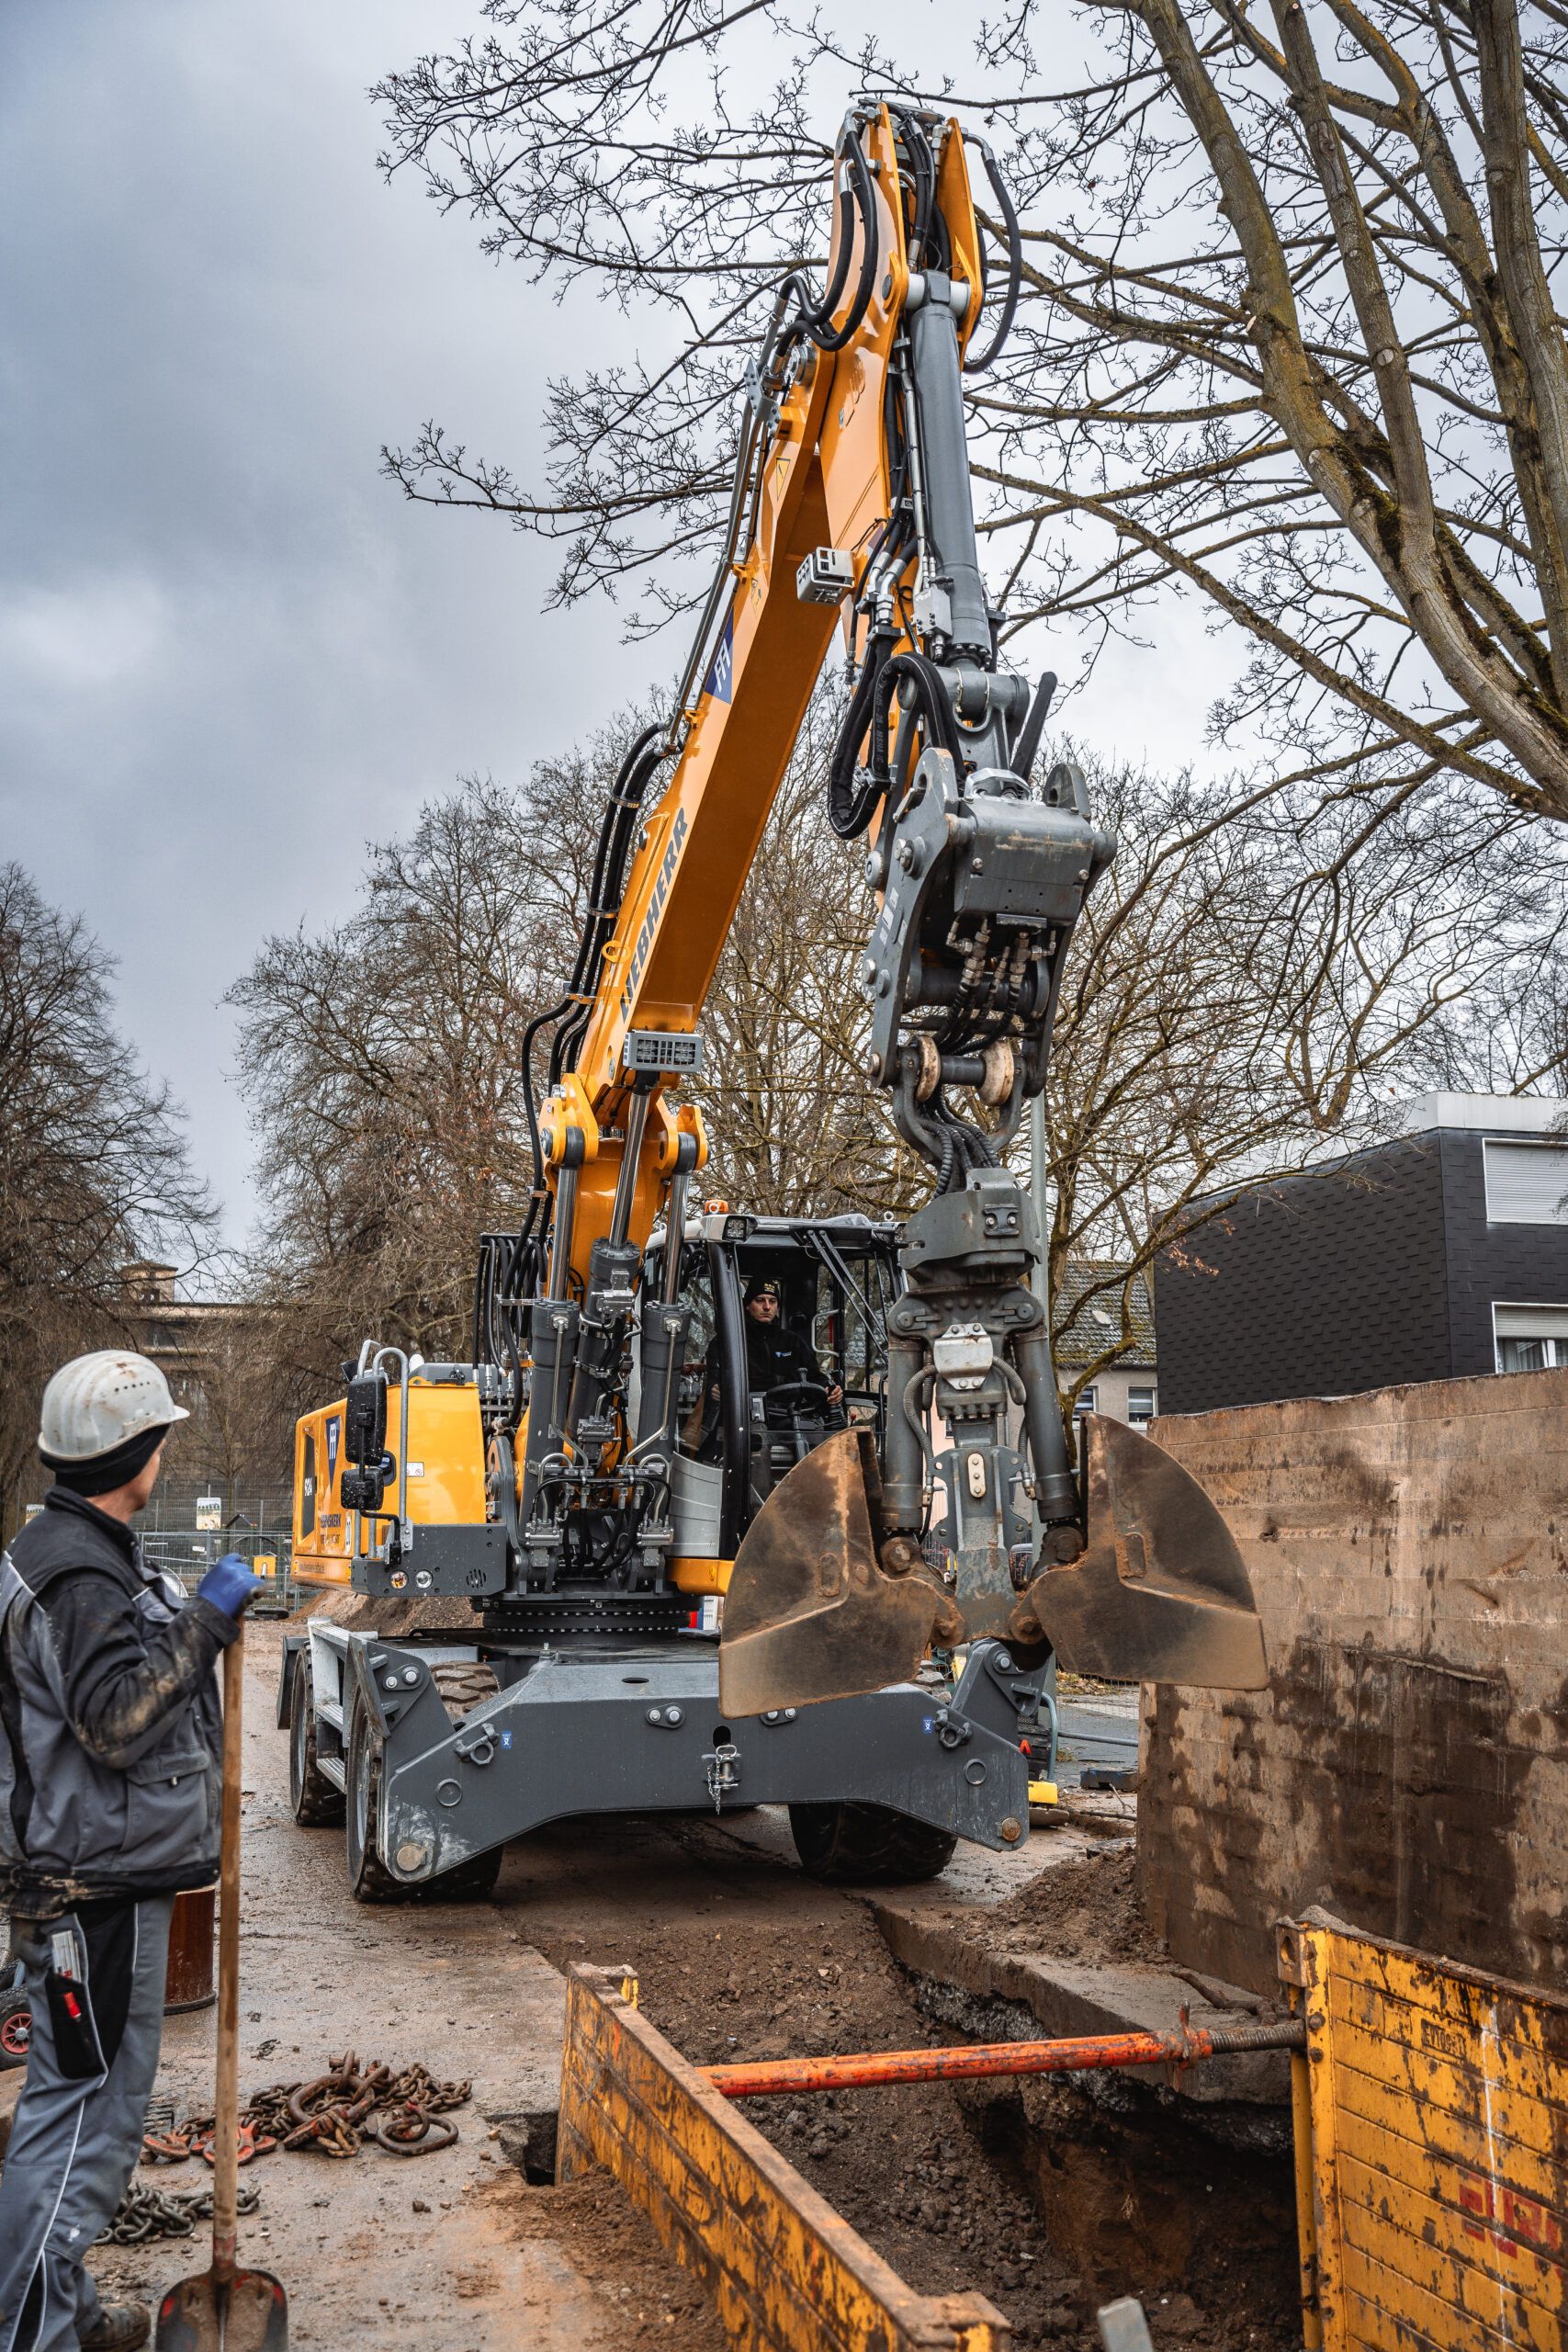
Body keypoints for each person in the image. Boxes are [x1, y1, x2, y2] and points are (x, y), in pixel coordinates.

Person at [0, 1352, 265, 2352]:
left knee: (79, 2104)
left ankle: (56, 2312)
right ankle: (32, 2333)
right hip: (91, 1895)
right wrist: (206, 1619)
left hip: (92, 1878)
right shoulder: (77, 1572)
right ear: (139, 1450)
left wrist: (194, 1617)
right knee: (87, 2123)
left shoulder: (77, 1546)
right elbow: (115, 1721)